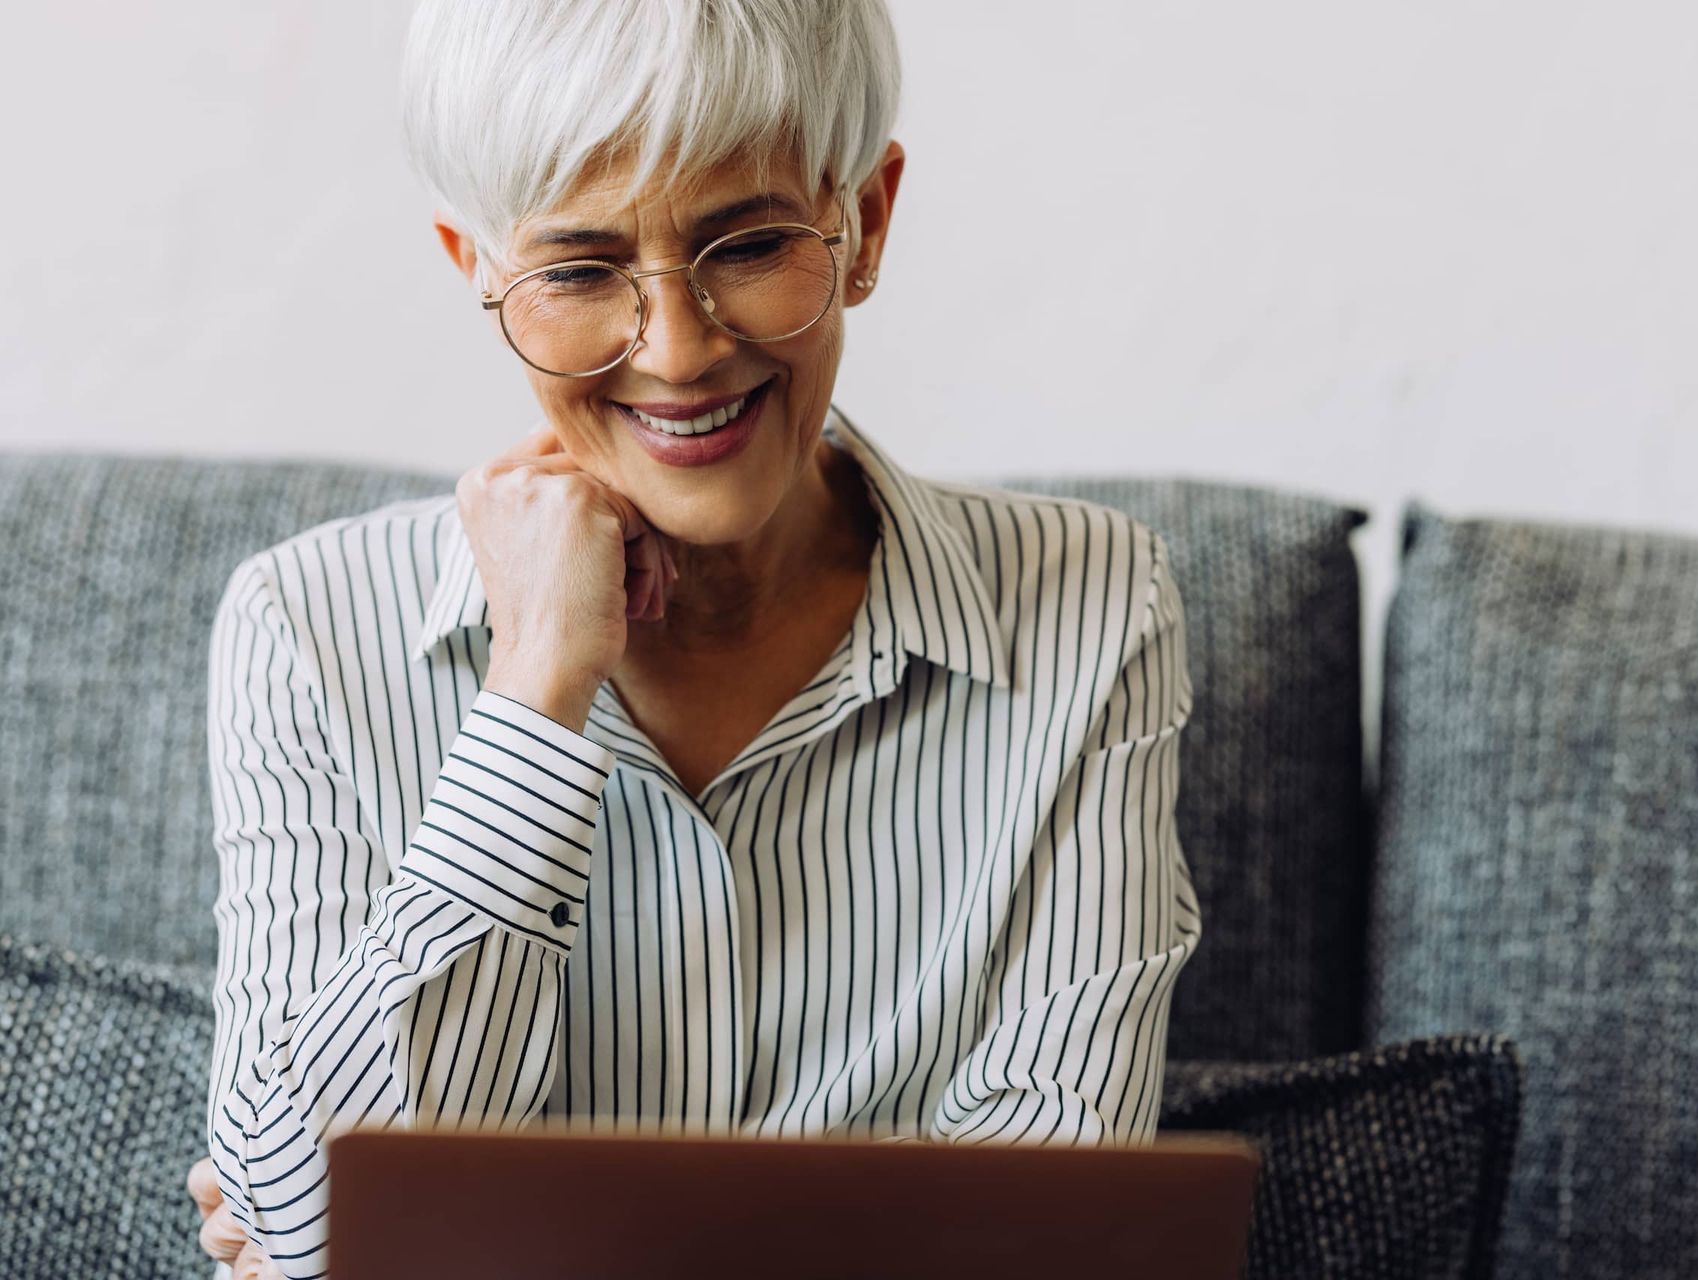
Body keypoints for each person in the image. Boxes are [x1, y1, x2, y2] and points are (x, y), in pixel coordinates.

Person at [187, 1, 1200, 1275]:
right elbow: (314, 1239)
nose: (677, 351)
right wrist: (537, 683)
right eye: (578, 271)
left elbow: (1064, 1240)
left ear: (866, 223)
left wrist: (450, 1222)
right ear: (479, 272)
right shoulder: (307, 626)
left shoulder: (1095, 605)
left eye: (750, 242)